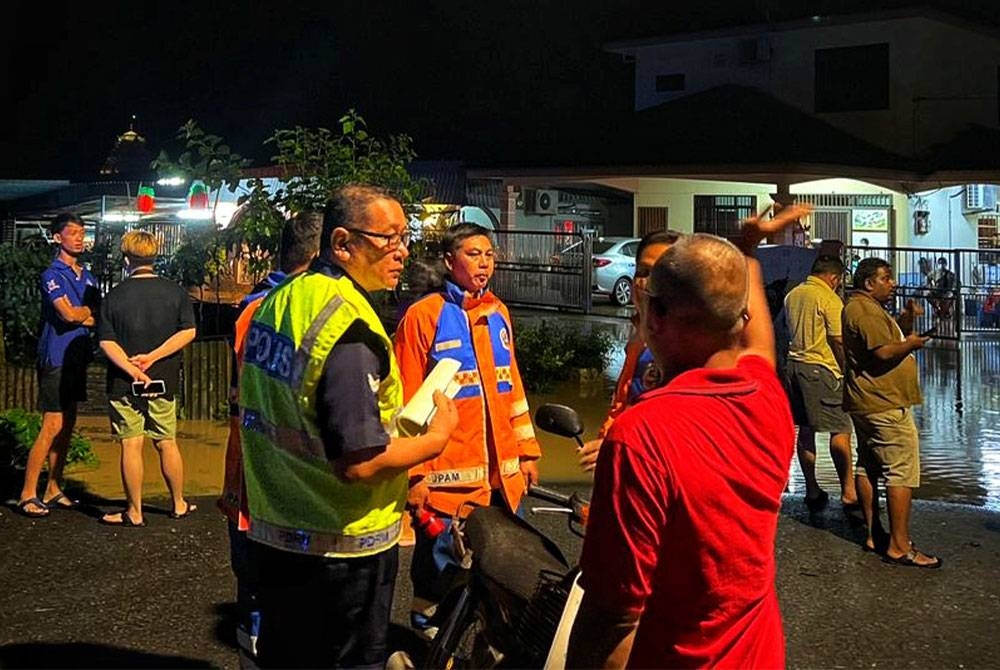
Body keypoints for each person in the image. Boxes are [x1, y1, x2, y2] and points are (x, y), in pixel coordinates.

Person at [568, 205, 811, 669]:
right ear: (738, 318)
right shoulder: (766, 394)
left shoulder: (641, 436)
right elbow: (755, 332)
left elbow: (613, 615)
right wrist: (749, 249)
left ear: (653, 313)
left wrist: (747, 248)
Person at [239, 184, 458, 669]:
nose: (403, 251)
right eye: (389, 238)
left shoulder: (282, 301)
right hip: (341, 554)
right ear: (342, 243)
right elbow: (359, 462)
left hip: (276, 536)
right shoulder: (350, 329)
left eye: (406, 237)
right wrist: (435, 440)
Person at [393, 222, 541, 630]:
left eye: (489, 254)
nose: (484, 262)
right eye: (473, 254)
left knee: (506, 584)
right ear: (448, 261)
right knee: (438, 581)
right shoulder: (423, 317)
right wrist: (415, 476)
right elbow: (404, 403)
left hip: (503, 484)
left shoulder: (499, 314)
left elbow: (513, 389)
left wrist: (526, 453)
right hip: (446, 488)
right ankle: (428, 645)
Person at [216, 212, 322, 664]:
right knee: (268, 584)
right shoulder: (280, 307)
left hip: (262, 467)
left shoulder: (260, 305)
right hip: (274, 473)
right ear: (320, 255)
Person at [842, 258, 941, 568]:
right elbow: (883, 351)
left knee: (868, 465)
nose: (893, 282)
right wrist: (911, 343)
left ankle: (875, 535)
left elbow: (885, 340)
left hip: (869, 401)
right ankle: (899, 545)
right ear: (869, 283)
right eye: (886, 278)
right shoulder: (863, 310)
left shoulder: (866, 308)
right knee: (901, 472)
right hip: (883, 403)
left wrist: (906, 320)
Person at [97, 231, 198, 526]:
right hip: (163, 380)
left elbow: (106, 342)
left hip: (124, 381)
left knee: (131, 444)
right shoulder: (176, 292)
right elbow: (188, 332)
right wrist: (153, 358)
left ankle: (135, 511)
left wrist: (133, 370)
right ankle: (179, 503)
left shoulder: (113, 296)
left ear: (126, 259)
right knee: (167, 441)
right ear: (155, 257)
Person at [17, 213, 101, 517]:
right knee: (51, 424)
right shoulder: (51, 274)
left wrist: (84, 313)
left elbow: (96, 317)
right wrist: (84, 313)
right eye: (73, 233)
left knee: (68, 425)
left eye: (82, 232)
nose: (79, 238)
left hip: (78, 357)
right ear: (58, 238)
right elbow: (67, 315)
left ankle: (53, 486)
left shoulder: (88, 276)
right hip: (55, 356)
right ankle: (27, 492)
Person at [578, 230, 683, 472]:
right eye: (642, 272)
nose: (644, 282)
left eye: (658, 273)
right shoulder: (639, 335)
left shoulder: (687, 345)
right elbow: (623, 403)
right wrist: (608, 441)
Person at [784, 254, 858, 512]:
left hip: (794, 367)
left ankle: (812, 489)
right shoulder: (829, 298)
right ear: (834, 277)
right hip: (822, 369)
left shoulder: (792, 295)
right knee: (840, 430)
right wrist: (848, 371)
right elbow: (837, 339)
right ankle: (849, 491)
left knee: (805, 430)